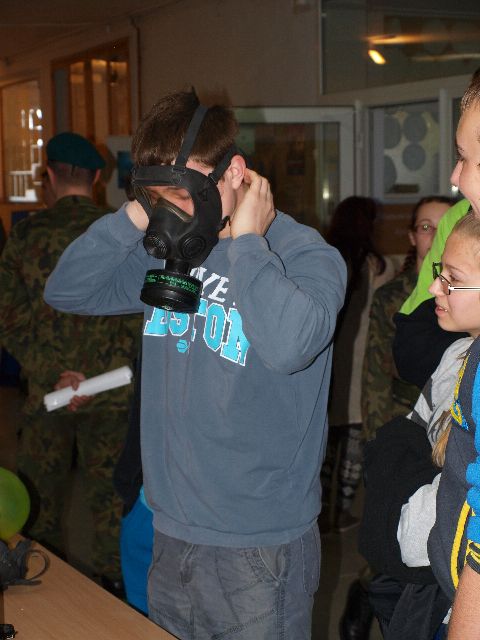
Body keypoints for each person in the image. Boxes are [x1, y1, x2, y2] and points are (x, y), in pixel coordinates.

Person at [44, 89, 347, 639]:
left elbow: (289, 346)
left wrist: (248, 243)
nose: (174, 213)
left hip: (257, 547)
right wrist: (140, 210)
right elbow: (67, 290)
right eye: (159, 197)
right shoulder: (172, 250)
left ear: (234, 172)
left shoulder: (306, 256)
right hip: (170, 530)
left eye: (183, 194)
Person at [0, 132, 142, 592]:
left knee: (37, 505)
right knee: (112, 503)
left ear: (49, 175)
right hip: (112, 394)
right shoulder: (123, 235)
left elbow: (7, 316)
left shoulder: (26, 236)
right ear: (97, 177)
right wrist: (95, 379)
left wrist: (55, 376)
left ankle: (44, 595)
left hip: (48, 395)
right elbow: (143, 317)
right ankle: (116, 597)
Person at [321, 196, 394, 535]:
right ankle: (342, 511)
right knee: (353, 437)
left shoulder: (325, 255)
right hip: (360, 357)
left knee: (326, 441)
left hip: (327, 356)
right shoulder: (377, 266)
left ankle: (321, 512)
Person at [362, 196, 454, 442]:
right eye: (425, 227)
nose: (435, 236)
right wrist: (376, 440)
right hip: (405, 416)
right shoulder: (391, 296)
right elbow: (376, 374)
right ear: (412, 237)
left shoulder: (467, 291)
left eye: (445, 226)